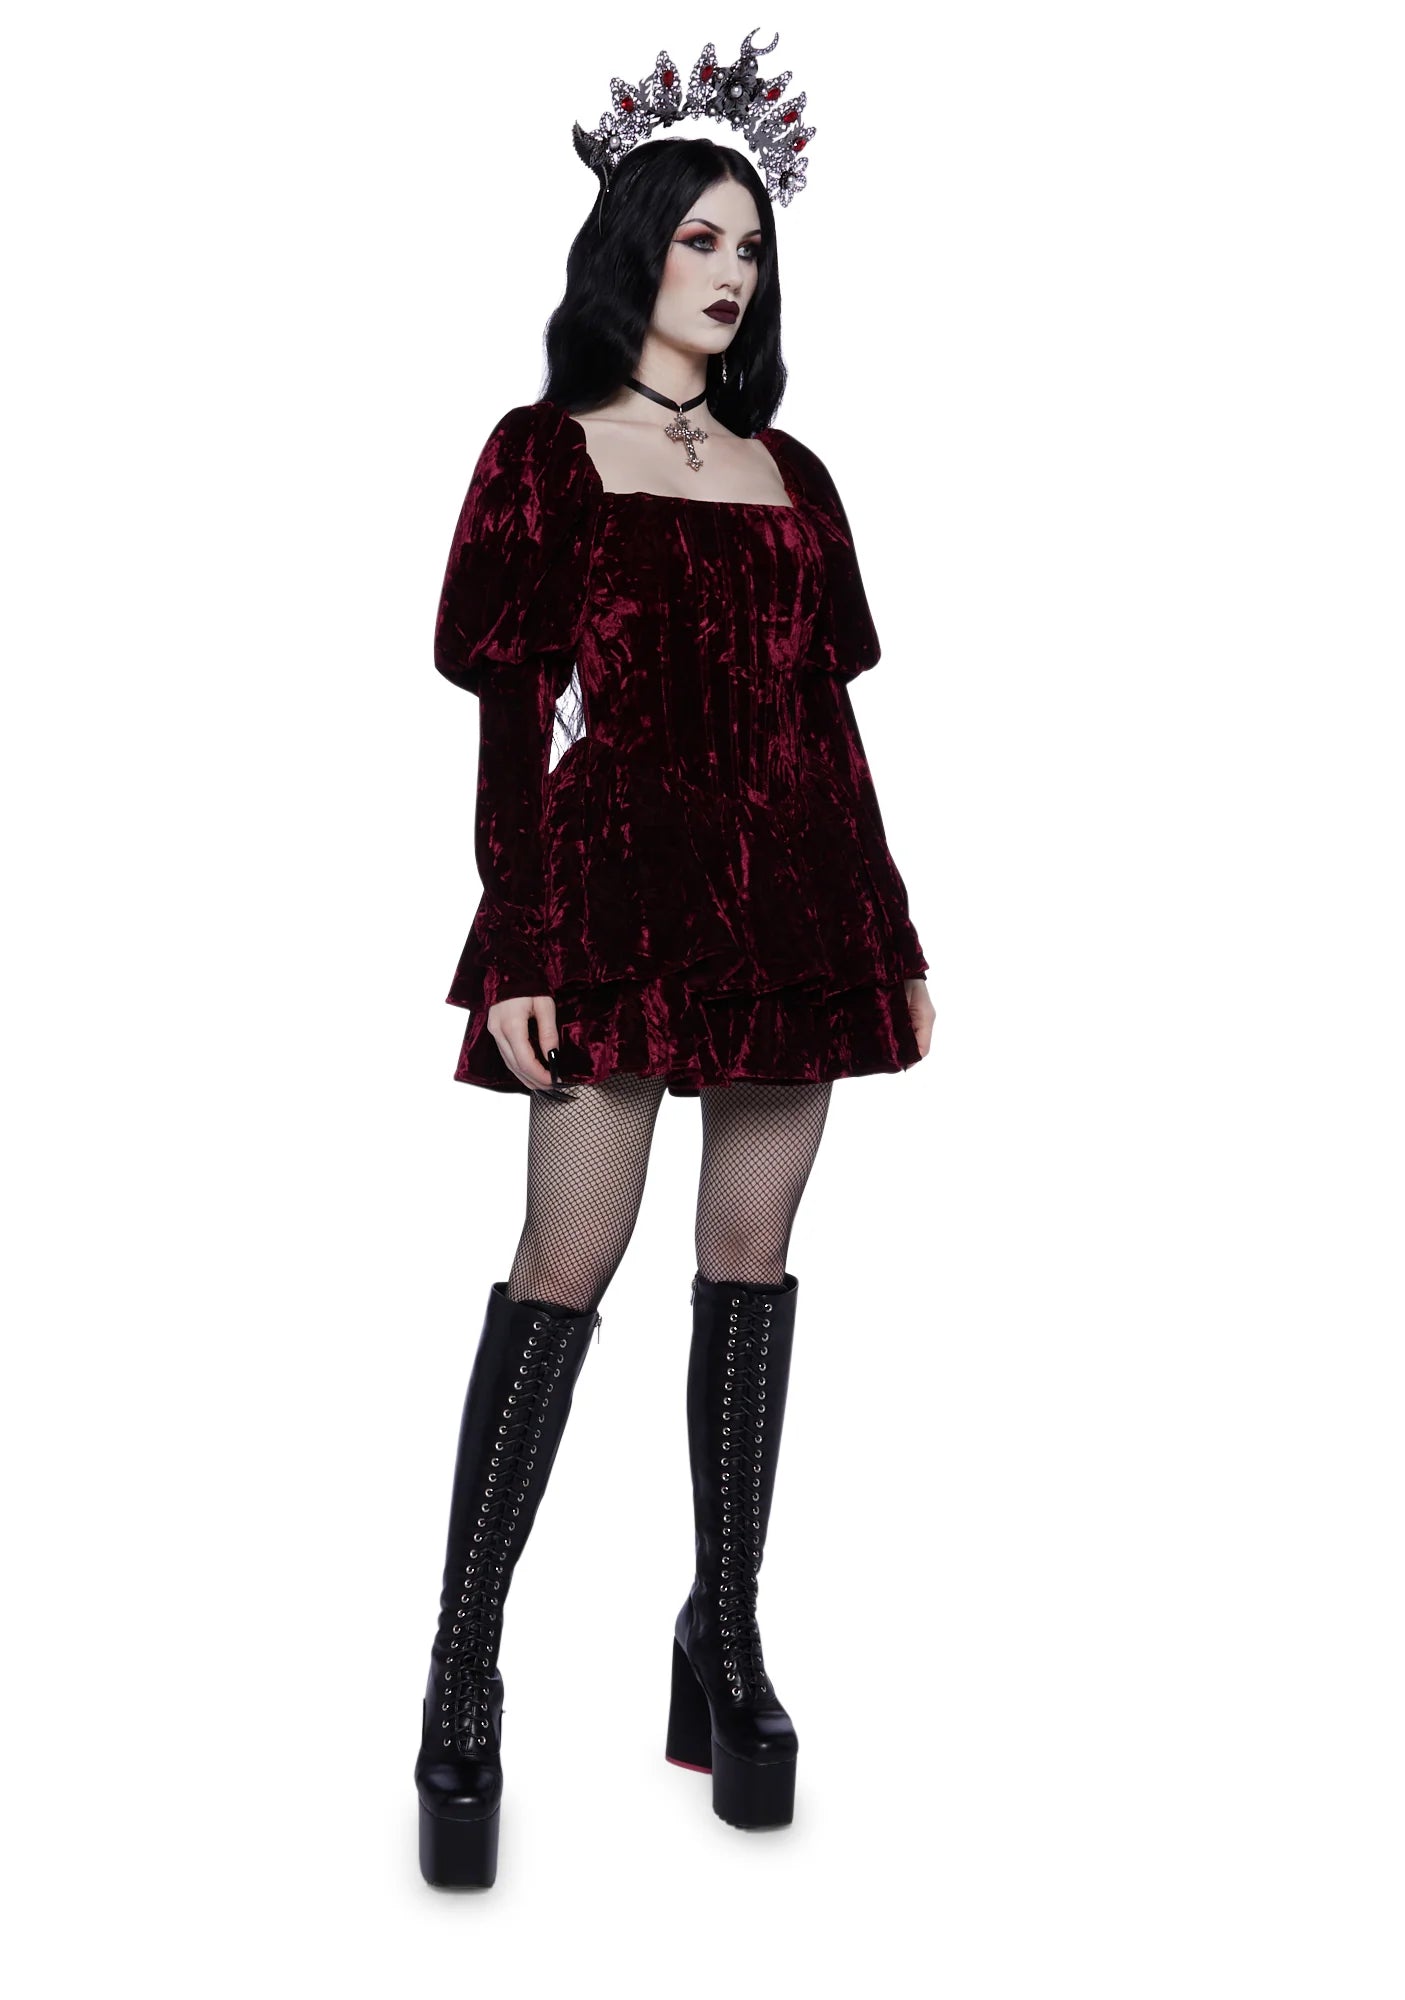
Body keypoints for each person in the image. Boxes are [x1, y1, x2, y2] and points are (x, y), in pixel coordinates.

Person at [414, 35, 934, 1890]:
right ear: (633, 248)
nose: (731, 272)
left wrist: (892, 930)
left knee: (751, 1264)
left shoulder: (795, 472)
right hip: (614, 897)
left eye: (752, 248)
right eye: (702, 238)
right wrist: (513, 940)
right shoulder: (542, 456)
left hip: (797, 901)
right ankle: (461, 1667)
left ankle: (725, 1633)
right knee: (564, 1265)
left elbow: (830, 725)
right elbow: (508, 718)